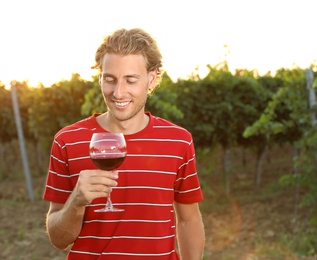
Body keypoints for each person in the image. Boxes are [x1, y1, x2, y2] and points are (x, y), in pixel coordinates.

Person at [43, 28, 205, 259]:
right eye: (110, 80)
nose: (118, 93)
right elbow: (58, 239)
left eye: (130, 80)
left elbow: (189, 219)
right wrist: (76, 202)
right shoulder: (68, 141)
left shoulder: (178, 140)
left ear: (152, 78)